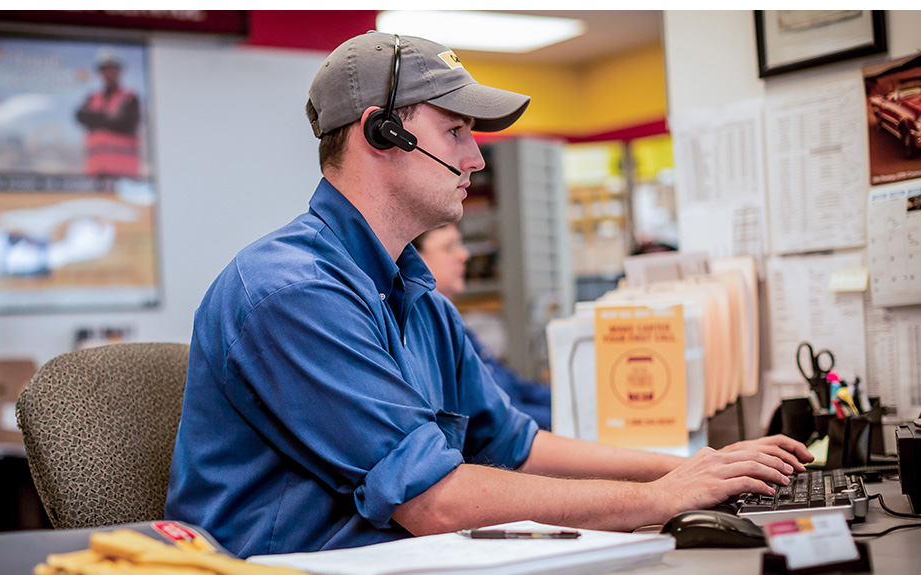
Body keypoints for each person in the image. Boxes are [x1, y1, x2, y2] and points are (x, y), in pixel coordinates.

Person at [165, 32, 812, 559]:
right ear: (380, 132)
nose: (475, 158)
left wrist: (690, 466)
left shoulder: (414, 293)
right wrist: (658, 497)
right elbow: (436, 500)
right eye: (456, 132)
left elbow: (516, 445)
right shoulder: (291, 292)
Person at [412, 223, 552, 430]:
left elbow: (515, 388)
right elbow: (491, 420)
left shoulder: (454, 325)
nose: (464, 255)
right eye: (449, 247)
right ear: (413, 259)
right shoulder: (425, 338)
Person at [75, 48, 141, 178]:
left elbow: (126, 123)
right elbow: (80, 116)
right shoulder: (92, 98)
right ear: (101, 72)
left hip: (124, 173)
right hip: (95, 171)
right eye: (105, 69)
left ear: (120, 71)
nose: (110, 73)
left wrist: (96, 118)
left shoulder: (130, 97)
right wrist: (108, 118)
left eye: (113, 68)